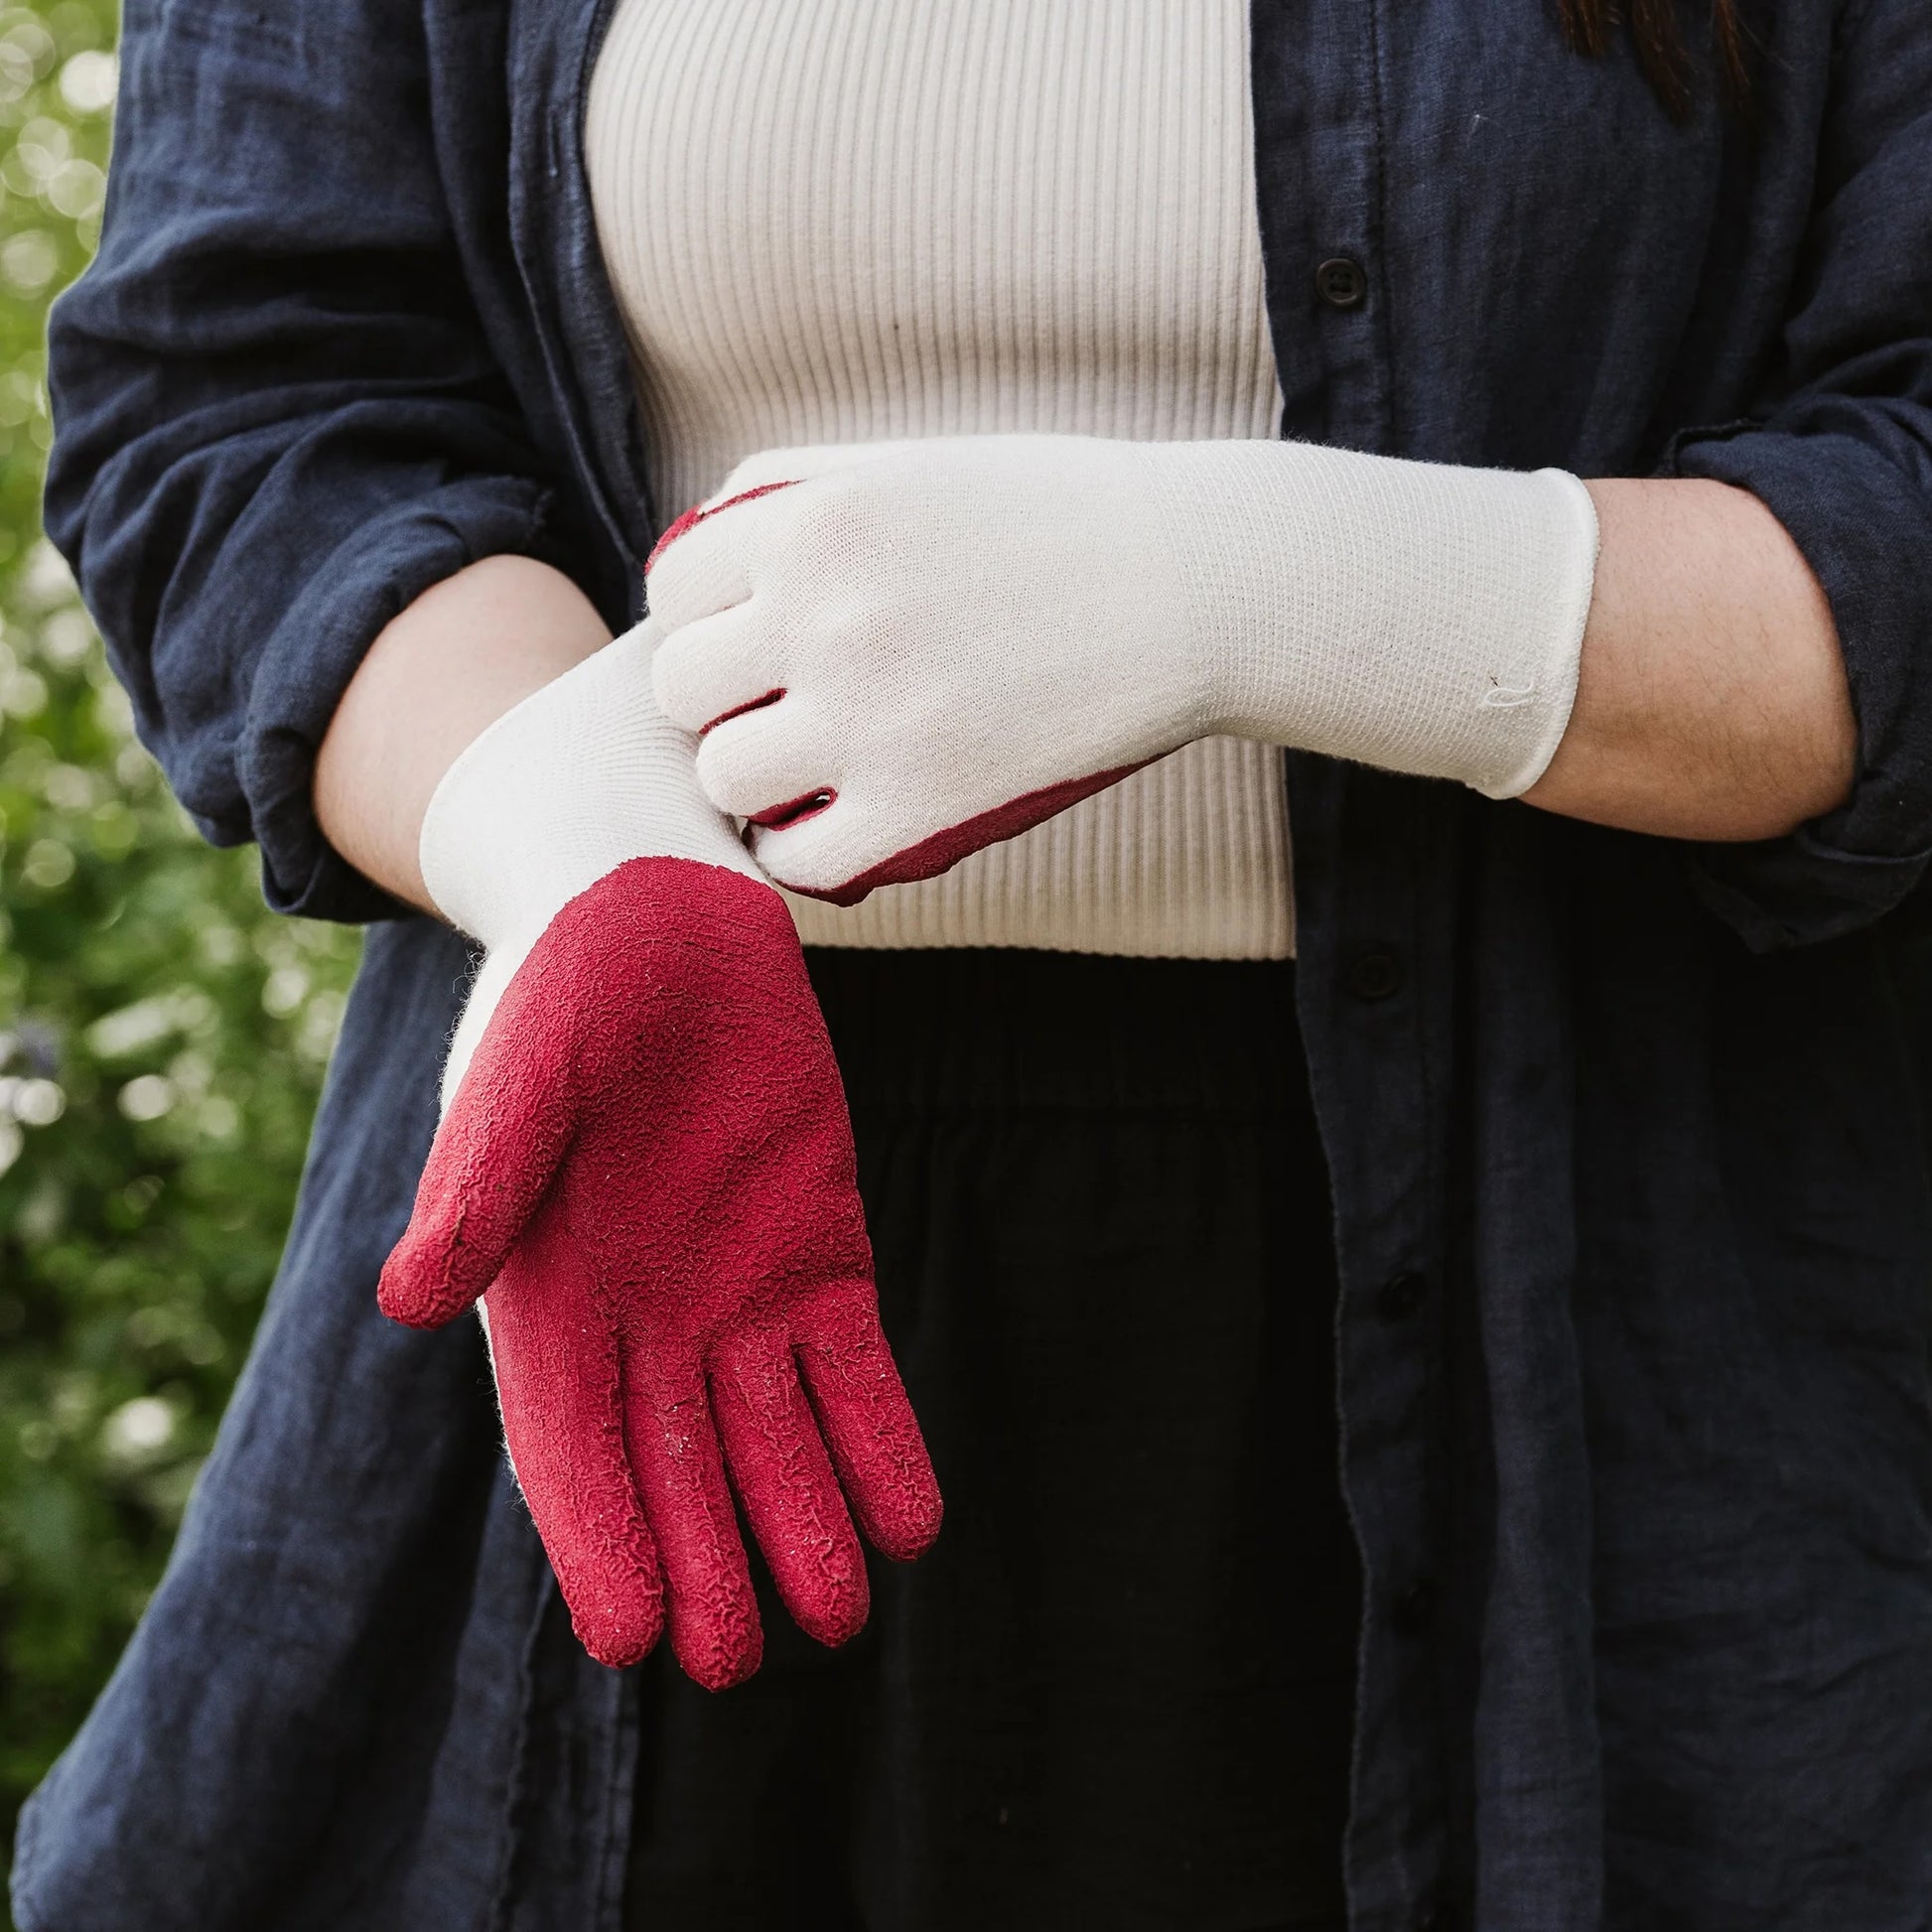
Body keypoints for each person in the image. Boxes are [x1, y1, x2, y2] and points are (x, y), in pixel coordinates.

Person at [14, 0, 1932, 1926]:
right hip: (669, 1198)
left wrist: (1254, 582)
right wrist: (568, 826)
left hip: (1609, 1278)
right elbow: (244, 392)